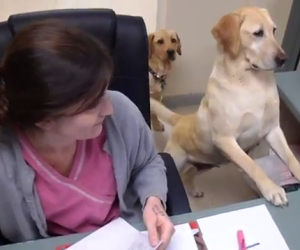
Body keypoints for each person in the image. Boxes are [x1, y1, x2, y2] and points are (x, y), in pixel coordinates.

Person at [0, 20, 174, 249]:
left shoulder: (120, 111)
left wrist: (154, 204)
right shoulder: (6, 162)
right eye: (92, 104)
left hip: (131, 236)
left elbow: (147, 162)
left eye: (103, 91)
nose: (109, 108)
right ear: (44, 119)